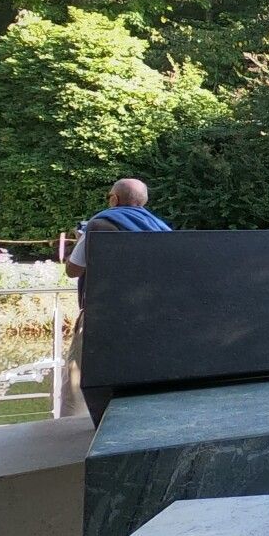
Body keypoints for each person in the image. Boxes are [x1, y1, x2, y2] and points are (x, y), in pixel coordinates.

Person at [63, 178, 171, 423]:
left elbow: (73, 270)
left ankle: (74, 427)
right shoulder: (160, 228)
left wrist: (79, 241)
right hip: (147, 314)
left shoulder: (98, 225)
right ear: (144, 201)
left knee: (79, 372)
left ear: (114, 199)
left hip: (102, 314)